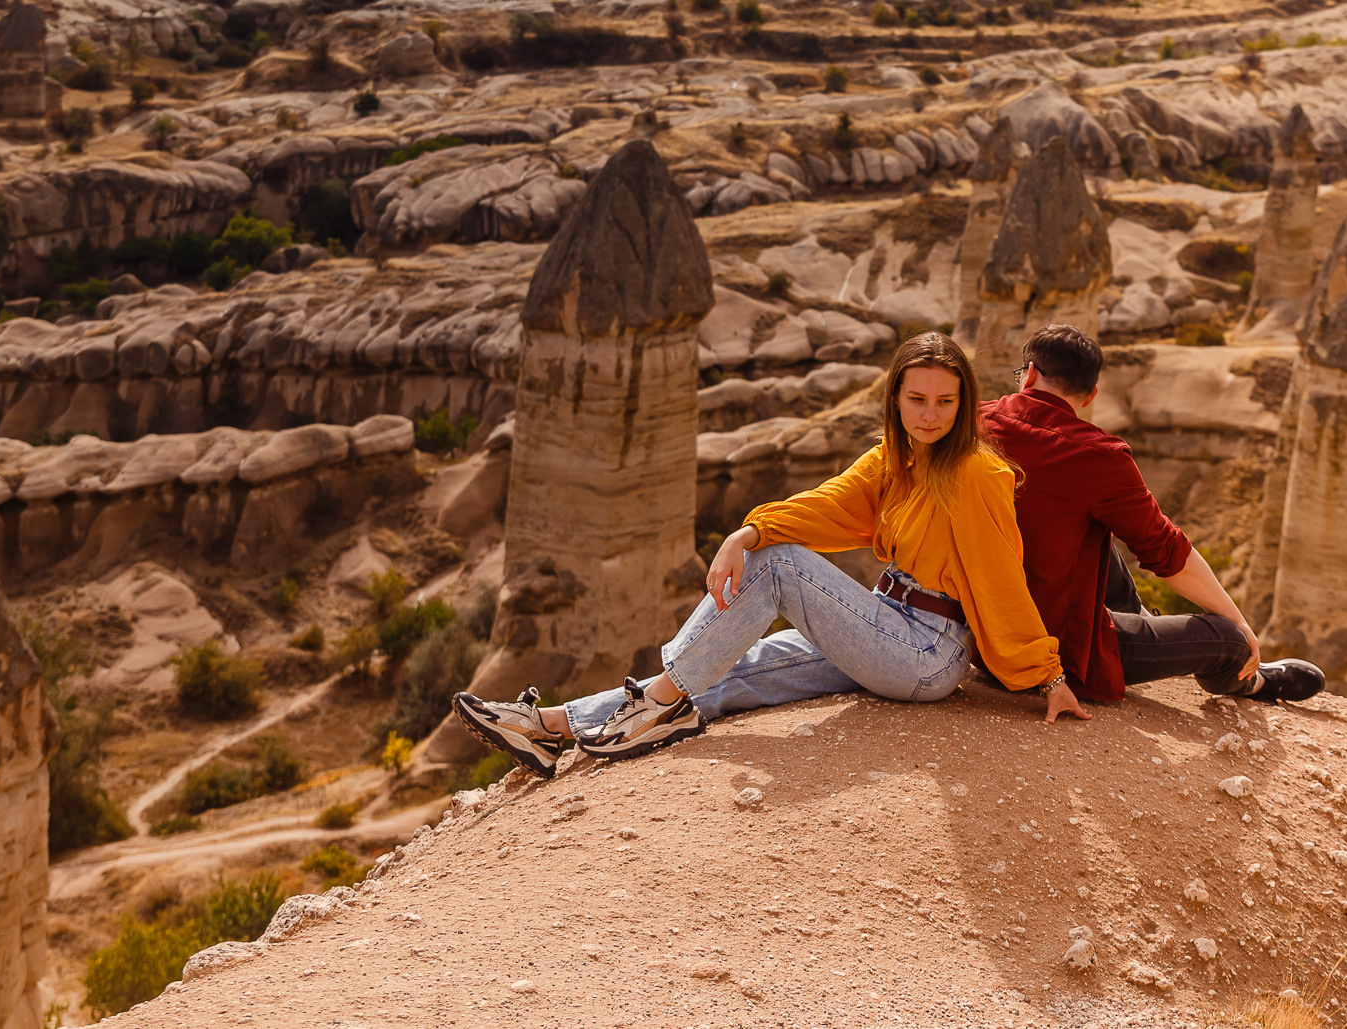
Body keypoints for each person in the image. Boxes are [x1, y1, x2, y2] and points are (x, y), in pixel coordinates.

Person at [453, 331, 1085, 776]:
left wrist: (1046, 677)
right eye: (917, 399)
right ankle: (551, 729)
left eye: (946, 401)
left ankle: (661, 705)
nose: (931, 413)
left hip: (927, 653)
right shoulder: (897, 459)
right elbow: (829, 504)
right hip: (882, 623)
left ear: (964, 402)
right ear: (895, 397)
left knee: (779, 567)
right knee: (727, 664)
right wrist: (747, 533)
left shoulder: (976, 472)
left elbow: (1002, 579)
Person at [982, 324, 1325, 707]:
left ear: (1028, 374)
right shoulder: (1098, 456)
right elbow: (1168, 552)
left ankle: (1143, 620)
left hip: (980, 634)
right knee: (1226, 638)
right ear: (1091, 395)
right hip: (1056, 651)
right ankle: (1250, 681)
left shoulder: (976, 421)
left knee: (1088, 528)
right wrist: (1241, 625)